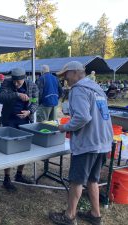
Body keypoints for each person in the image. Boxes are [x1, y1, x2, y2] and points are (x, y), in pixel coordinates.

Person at [49, 61, 113, 225]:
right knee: (93, 179)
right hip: (103, 141)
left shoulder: (78, 89)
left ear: (75, 73)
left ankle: (69, 217)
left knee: (76, 180)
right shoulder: (96, 88)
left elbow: (83, 117)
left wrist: (65, 127)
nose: (64, 79)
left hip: (88, 142)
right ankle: (95, 214)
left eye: (65, 75)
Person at [0, 67, 39, 191]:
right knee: (8, 149)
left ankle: (19, 175)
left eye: (18, 82)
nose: (16, 83)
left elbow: (36, 102)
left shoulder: (32, 85)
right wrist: (17, 94)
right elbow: (0, 97)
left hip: (24, 120)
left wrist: (29, 111)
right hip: (9, 119)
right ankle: (6, 178)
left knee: (23, 148)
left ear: (24, 78)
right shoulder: (6, 83)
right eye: (14, 81)